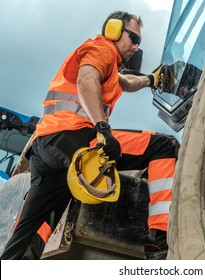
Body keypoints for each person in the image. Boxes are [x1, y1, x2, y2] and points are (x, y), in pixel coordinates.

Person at [0, 11, 179, 260]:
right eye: (133, 38)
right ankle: (158, 242)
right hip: (73, 139)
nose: (136, 47)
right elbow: (86, 80)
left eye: (139, 42)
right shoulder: (101, 48)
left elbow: (126, 83)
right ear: (114, 30)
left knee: (33, 229)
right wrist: (103, 129)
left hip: (45, 150)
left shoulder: (108, 64)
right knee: (163, 145)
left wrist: (150, 80)